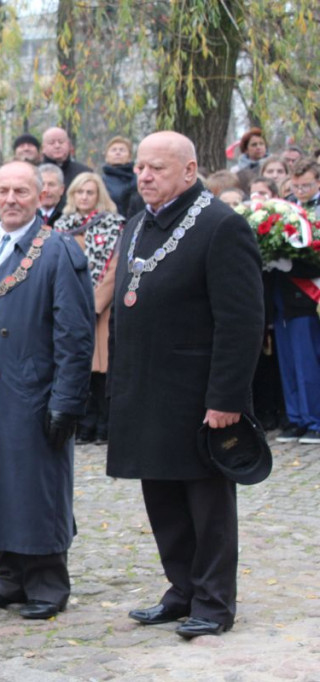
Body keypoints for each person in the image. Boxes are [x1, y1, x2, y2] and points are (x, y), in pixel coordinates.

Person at [109, 131, 264, 639]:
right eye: (140, 169)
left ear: (190, 170)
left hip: (198, 394)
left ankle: (215, 602)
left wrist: (227, 399)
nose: (145, 176)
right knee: (163, 499)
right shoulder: (136, 224)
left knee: (206, 504)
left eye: (157, 168)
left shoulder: (221, 226)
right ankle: (181, 589)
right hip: (146, 389)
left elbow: (241, 321)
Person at [0, 161, 94, 621]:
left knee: (37, 487)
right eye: (3, 190)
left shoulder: (59, 251)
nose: (10, 199)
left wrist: (67, 401)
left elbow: (75, 335)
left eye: (21, 191)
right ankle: (10, 575)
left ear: (41, 196)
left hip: (31, 391)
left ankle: (48, 582)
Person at [54, 172, 126, 444]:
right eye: (79, 192)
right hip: (70, 308)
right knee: (78, 367)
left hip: (101, 309)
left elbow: (116, 267)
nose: (84, 197)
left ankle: (105, 425)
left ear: (100, 196)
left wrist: (95, 304)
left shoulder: (114, 225)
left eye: (90, 192)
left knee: (102, 371)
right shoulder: (61, 227)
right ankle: (83, 424)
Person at [271, 160, 320, 444]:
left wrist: (295, 265)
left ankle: (314, 419)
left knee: (307, 361)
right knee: (288, 361)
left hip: (306, 295)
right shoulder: (285, 208)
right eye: (297, 185)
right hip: (282, 295)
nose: (300, 191)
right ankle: (296, 418)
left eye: (307, 185)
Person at [101, 136, 138, 218]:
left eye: (122, 150)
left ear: (129, 157)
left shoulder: (138, 180)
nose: (118, 153)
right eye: (113, 150)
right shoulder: (100, 182)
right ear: (106, 157)